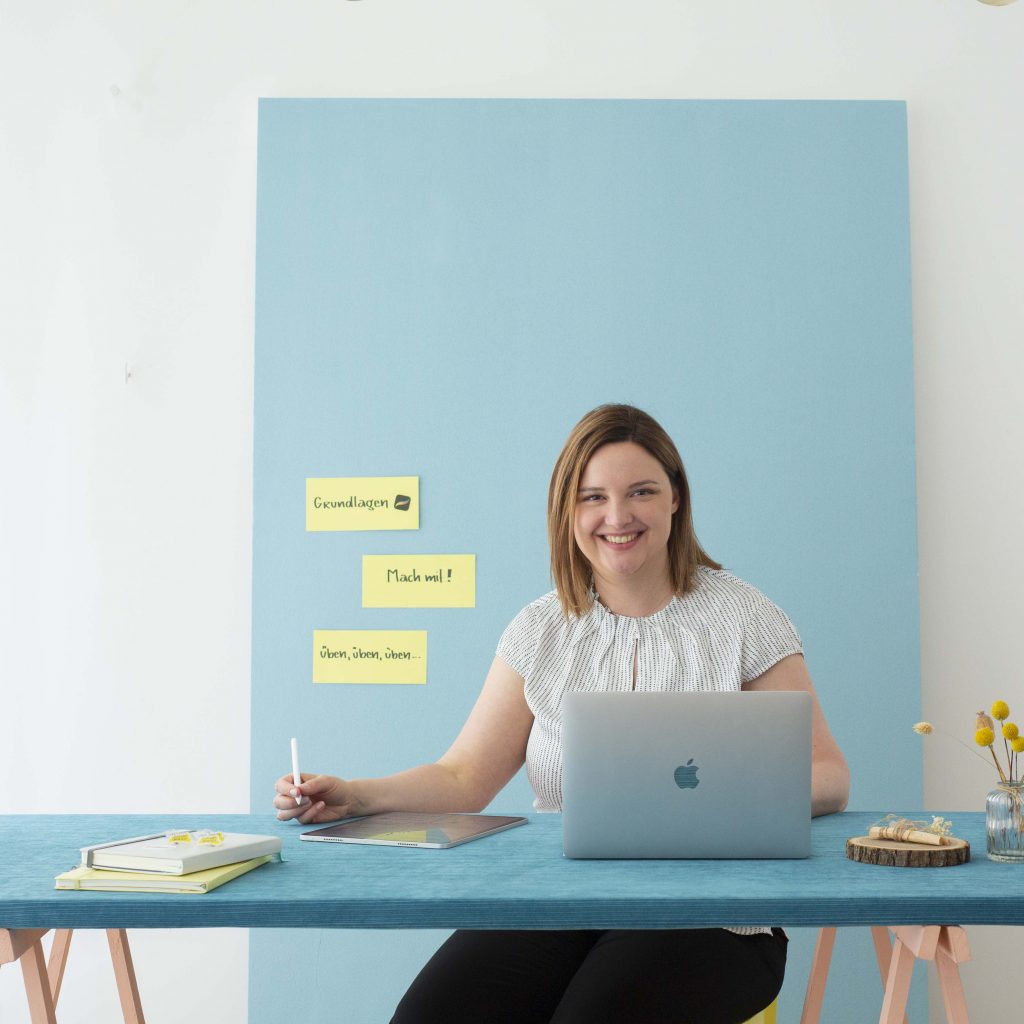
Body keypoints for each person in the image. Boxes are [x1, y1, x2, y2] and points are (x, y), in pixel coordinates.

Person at [274, 403, 850, 1024]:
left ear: (676, 499)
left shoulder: (744, 617)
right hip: (560, 902)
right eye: (593, 497)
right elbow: (463, 777)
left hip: (714, 916)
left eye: (641, 492)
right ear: (567, 511)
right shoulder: (539, 630)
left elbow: (828, 776)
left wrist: (715, 806)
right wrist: (354, 796)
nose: (617, 516)